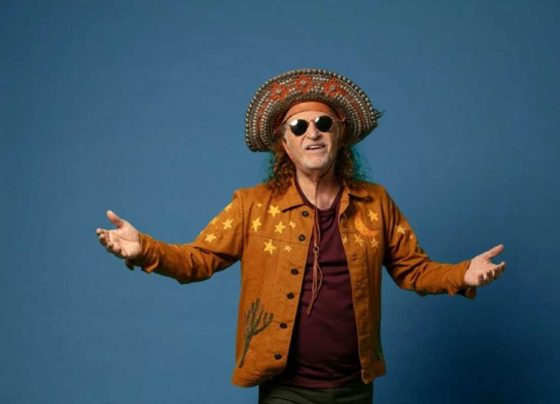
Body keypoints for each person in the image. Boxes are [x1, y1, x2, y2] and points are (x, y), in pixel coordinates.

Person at [96, 68, 506, 403]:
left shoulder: (375, 202)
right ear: (285, 144)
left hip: (355, 386)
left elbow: (412, 269)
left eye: (324, 123)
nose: (313, 133)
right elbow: (197, 260)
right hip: (285, 389)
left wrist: (462, 273)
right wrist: (144, 248)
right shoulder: (252, 205)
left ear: (339, 136)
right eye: (299, 126)